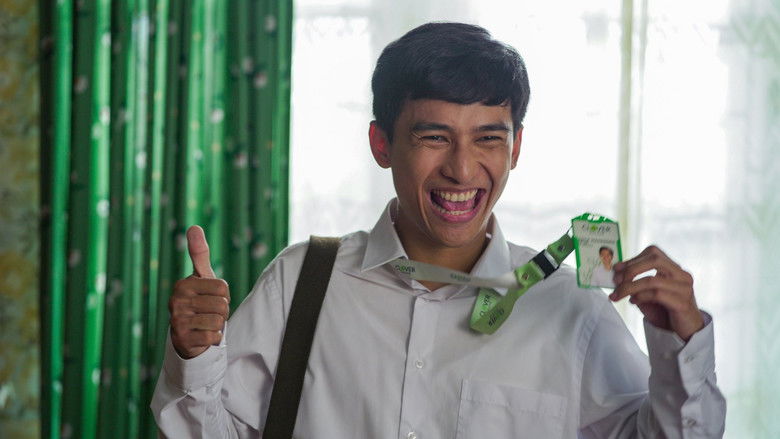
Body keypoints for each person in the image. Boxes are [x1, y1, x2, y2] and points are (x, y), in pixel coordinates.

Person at [152, 22, 726, 438]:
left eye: (488, 138)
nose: (462, 169)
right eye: (434, 137)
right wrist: (194, 355)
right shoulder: (301, 281)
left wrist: (681, 347)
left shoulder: (572, 311)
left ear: (515, 149)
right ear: (381, 144)